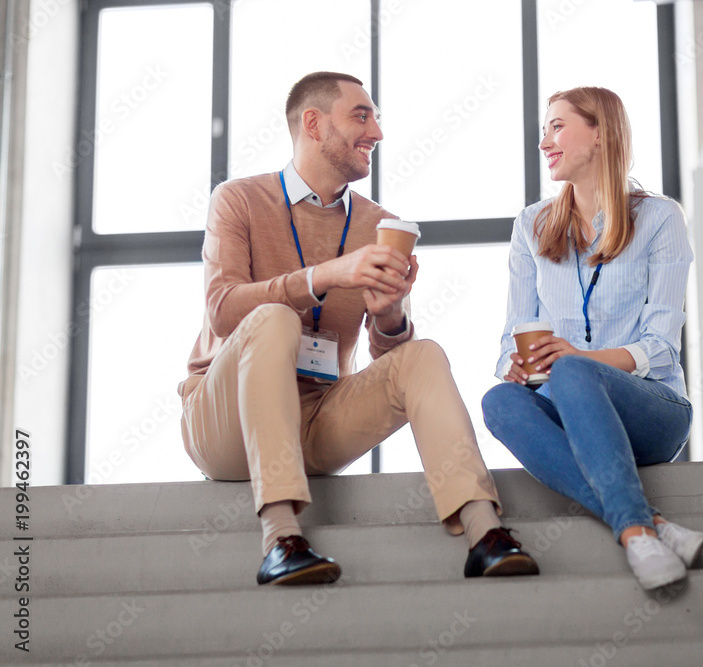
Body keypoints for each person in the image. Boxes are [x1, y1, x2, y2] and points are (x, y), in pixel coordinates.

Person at [179, 71, 537, 586]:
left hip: (319, 419)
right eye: (361, 116)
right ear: (313, 123)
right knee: (274, 317)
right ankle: (281, 538)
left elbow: (388, 354)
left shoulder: (379, 223)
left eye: (376, 118)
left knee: (423, 353)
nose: (377, 133)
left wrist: (391, 314)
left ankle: (485, 534)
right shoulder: (238, 200)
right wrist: (326, 276)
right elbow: (223, 310)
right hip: (226, 423)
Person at [481, 87, 703, 590]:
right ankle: (649, 526)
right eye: (545, 130)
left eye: (557, 127)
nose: (545, 142)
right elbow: (511, 333)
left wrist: (580, 360)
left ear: (600, 133)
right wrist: (512, 366)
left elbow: (663, 346)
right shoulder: (531, 224)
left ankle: (633, 530)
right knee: (499, 400)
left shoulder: (660, 217)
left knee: (573, 368)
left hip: (654, 410)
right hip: (571, 406)